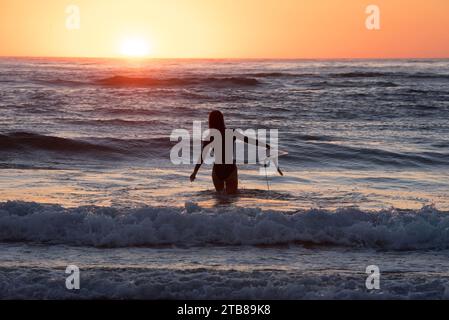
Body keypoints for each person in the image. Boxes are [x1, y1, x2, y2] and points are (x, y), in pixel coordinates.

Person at [190, 110, 282, 194]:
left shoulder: (209, 137)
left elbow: (202, 156)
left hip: (217, 170)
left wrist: (195, 172)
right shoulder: (231, 132)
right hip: (230, 169)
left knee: (220, 199)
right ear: (222, 120)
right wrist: (266, 145)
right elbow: (249, 140)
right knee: (232, 198)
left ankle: (218, 213)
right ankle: (235, 213)